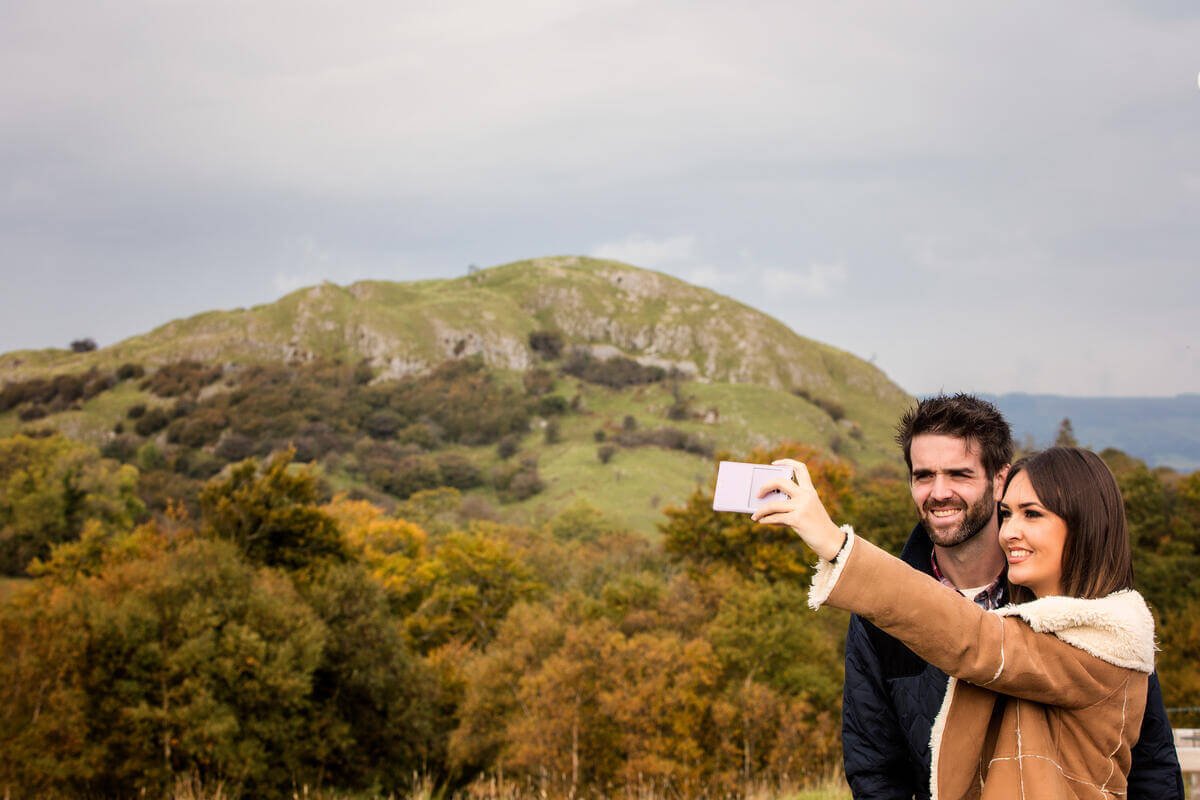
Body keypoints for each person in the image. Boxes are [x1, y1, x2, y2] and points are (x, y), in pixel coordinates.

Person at [751, 446, 1160, 798]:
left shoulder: (1105, 639)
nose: (1010, 532)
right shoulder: (1033, 625)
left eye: (1032, 515)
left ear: (1086, 526)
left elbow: (976, 640)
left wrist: (837, 546)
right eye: (1007, 514)